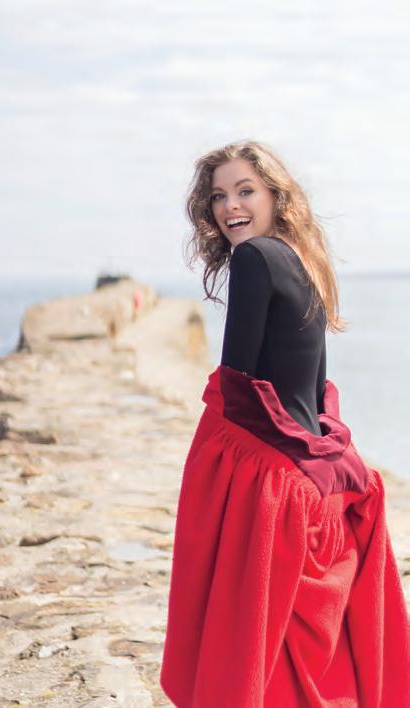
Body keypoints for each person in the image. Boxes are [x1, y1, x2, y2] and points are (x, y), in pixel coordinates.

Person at [160, 140, 410, 707]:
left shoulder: (253, 258)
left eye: (245, 190)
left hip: (277, 485)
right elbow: (316, 392)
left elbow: (238, 384)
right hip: (317, 484)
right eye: (218, 196)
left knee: (254, 658)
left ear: (276, 196)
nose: (230, 206)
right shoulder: (305, 260)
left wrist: (210, 477)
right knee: (311, 664)